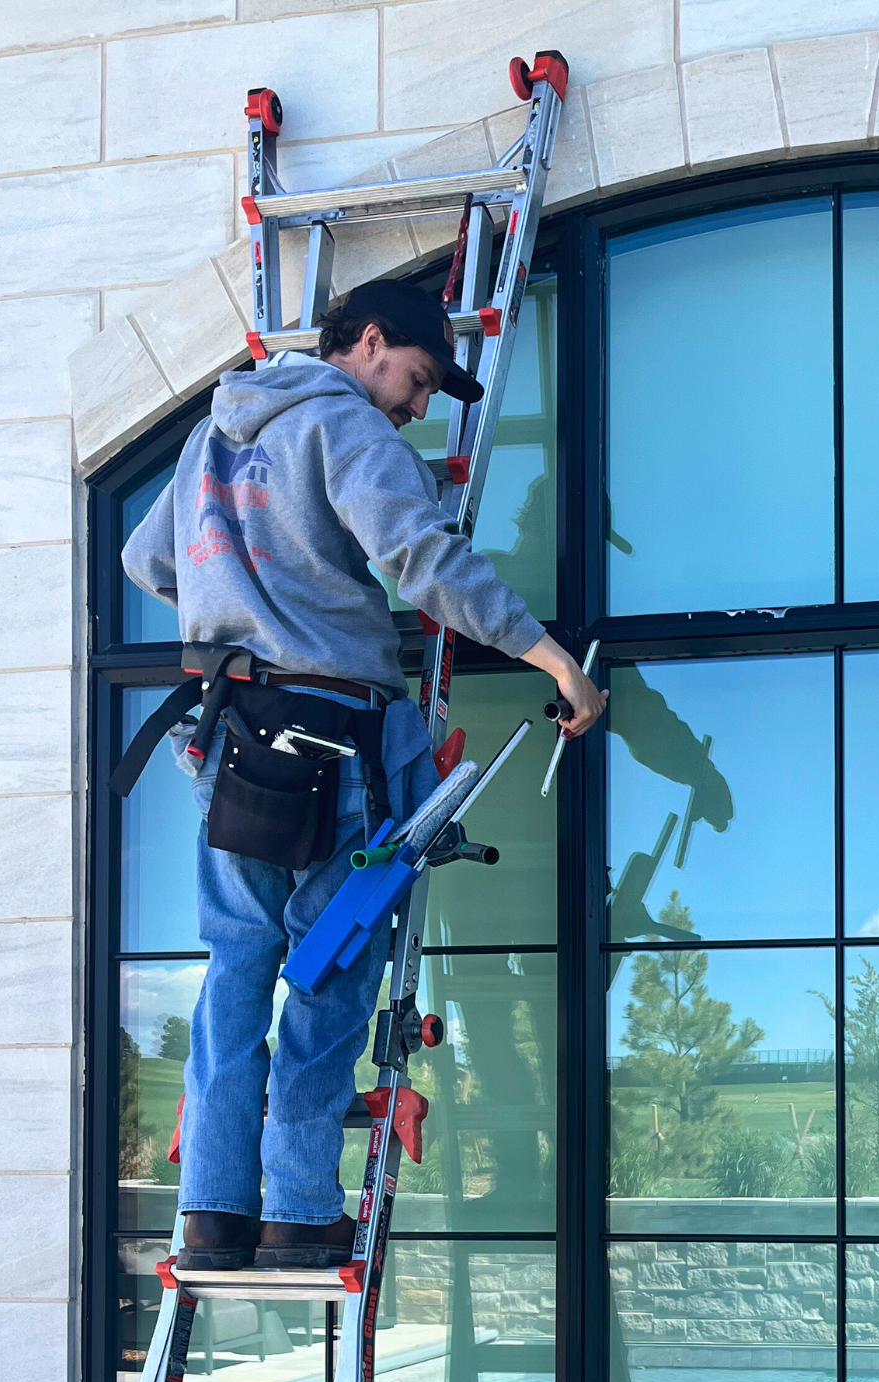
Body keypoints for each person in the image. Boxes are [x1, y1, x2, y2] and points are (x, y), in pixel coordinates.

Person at [122, 279, 606, 1273]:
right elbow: (423, 559)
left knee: (237, 970)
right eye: (417, 381)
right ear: (370, 342)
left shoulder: (213, 432)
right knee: (330, 972)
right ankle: (301, 1210)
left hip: (229, 735)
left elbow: (147, 560)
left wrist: (243, 589)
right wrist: (550, 657)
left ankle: (212, 1214)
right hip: (331, 732)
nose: (417, 409)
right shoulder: (345, 426)